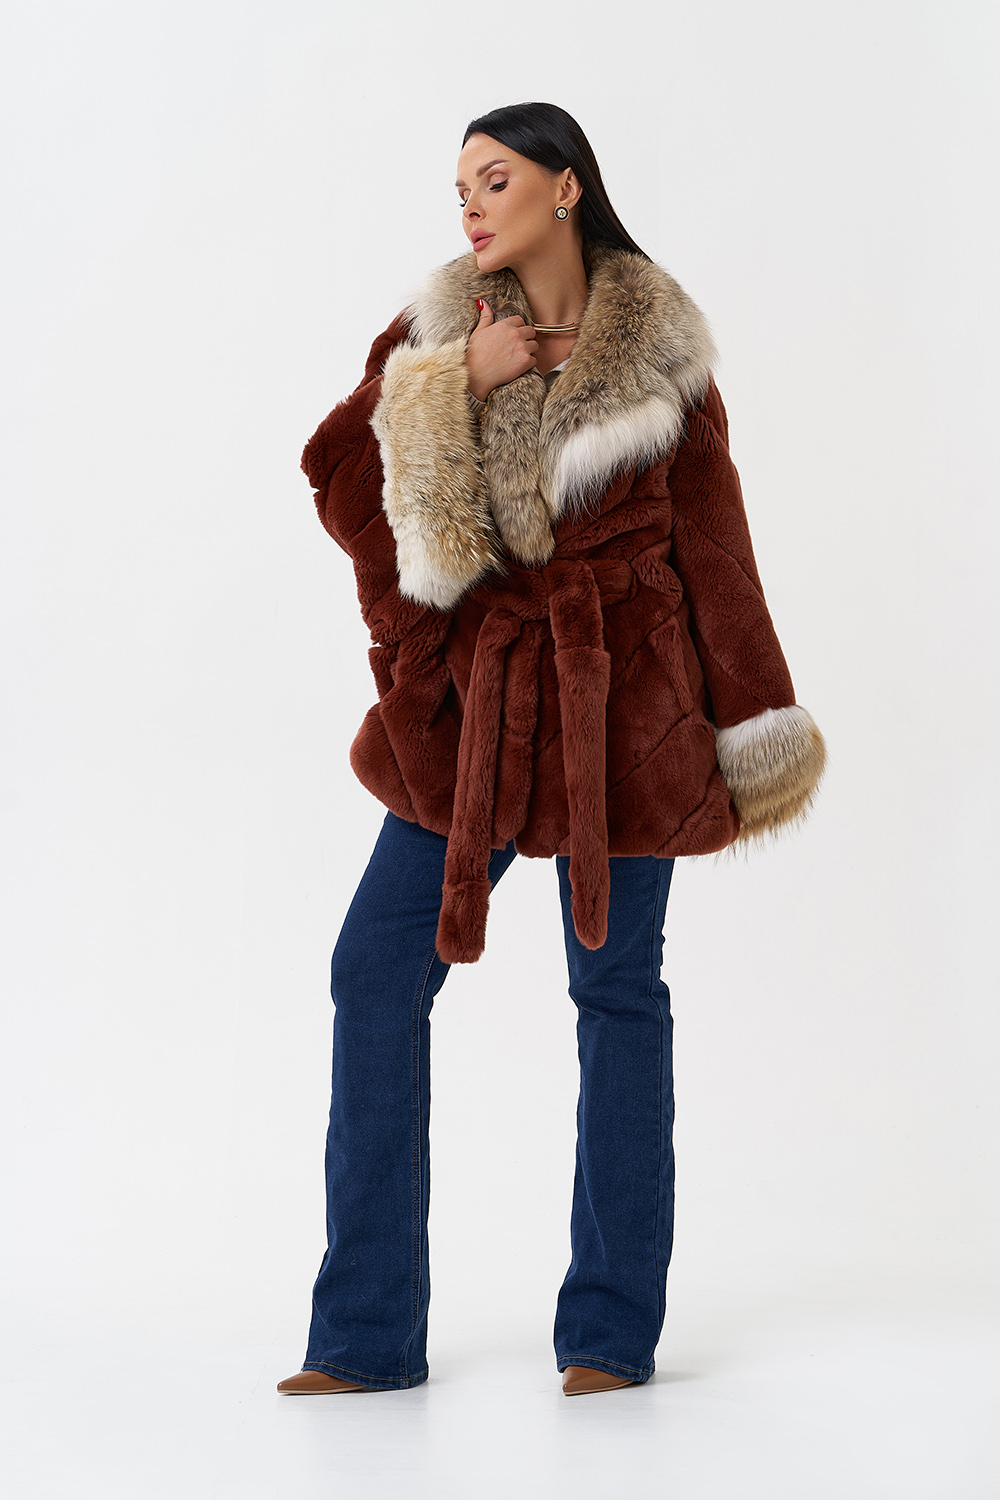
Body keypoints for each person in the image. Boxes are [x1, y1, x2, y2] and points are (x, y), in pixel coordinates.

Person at [277, 102, 827, 1398]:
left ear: (566, 187)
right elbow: (338, 484)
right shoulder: (435, 331)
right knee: (375, 969)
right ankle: (365, 1336)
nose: (470, 206)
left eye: (495, 179)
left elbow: (719, 555)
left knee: (618, 994)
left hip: (625, 715)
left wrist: (752, 731)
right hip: (473, 710)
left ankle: (610, 1334)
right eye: (460, 188)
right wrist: (453, 389)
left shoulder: (664, 355)